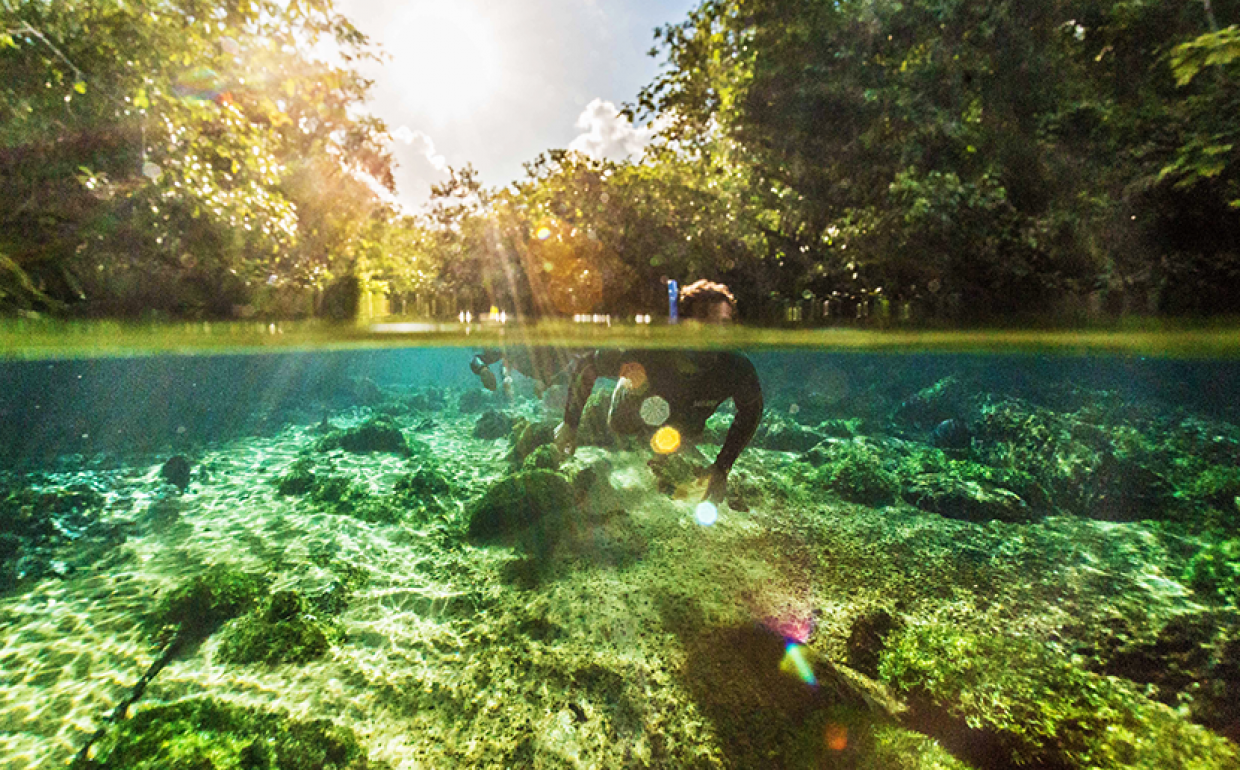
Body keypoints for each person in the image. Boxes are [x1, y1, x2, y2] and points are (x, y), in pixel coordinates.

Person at [554, 280, 763, 505]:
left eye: (723, 323)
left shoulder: (735, 367)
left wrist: (722, 467)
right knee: (626, 419)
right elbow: (587, 365)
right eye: (703, 321)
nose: (714, 333)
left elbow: (751, 411)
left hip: (684, 425)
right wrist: (570, 423)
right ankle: (634, 391)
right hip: (634, 414)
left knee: (686, 432)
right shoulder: (649, 349)